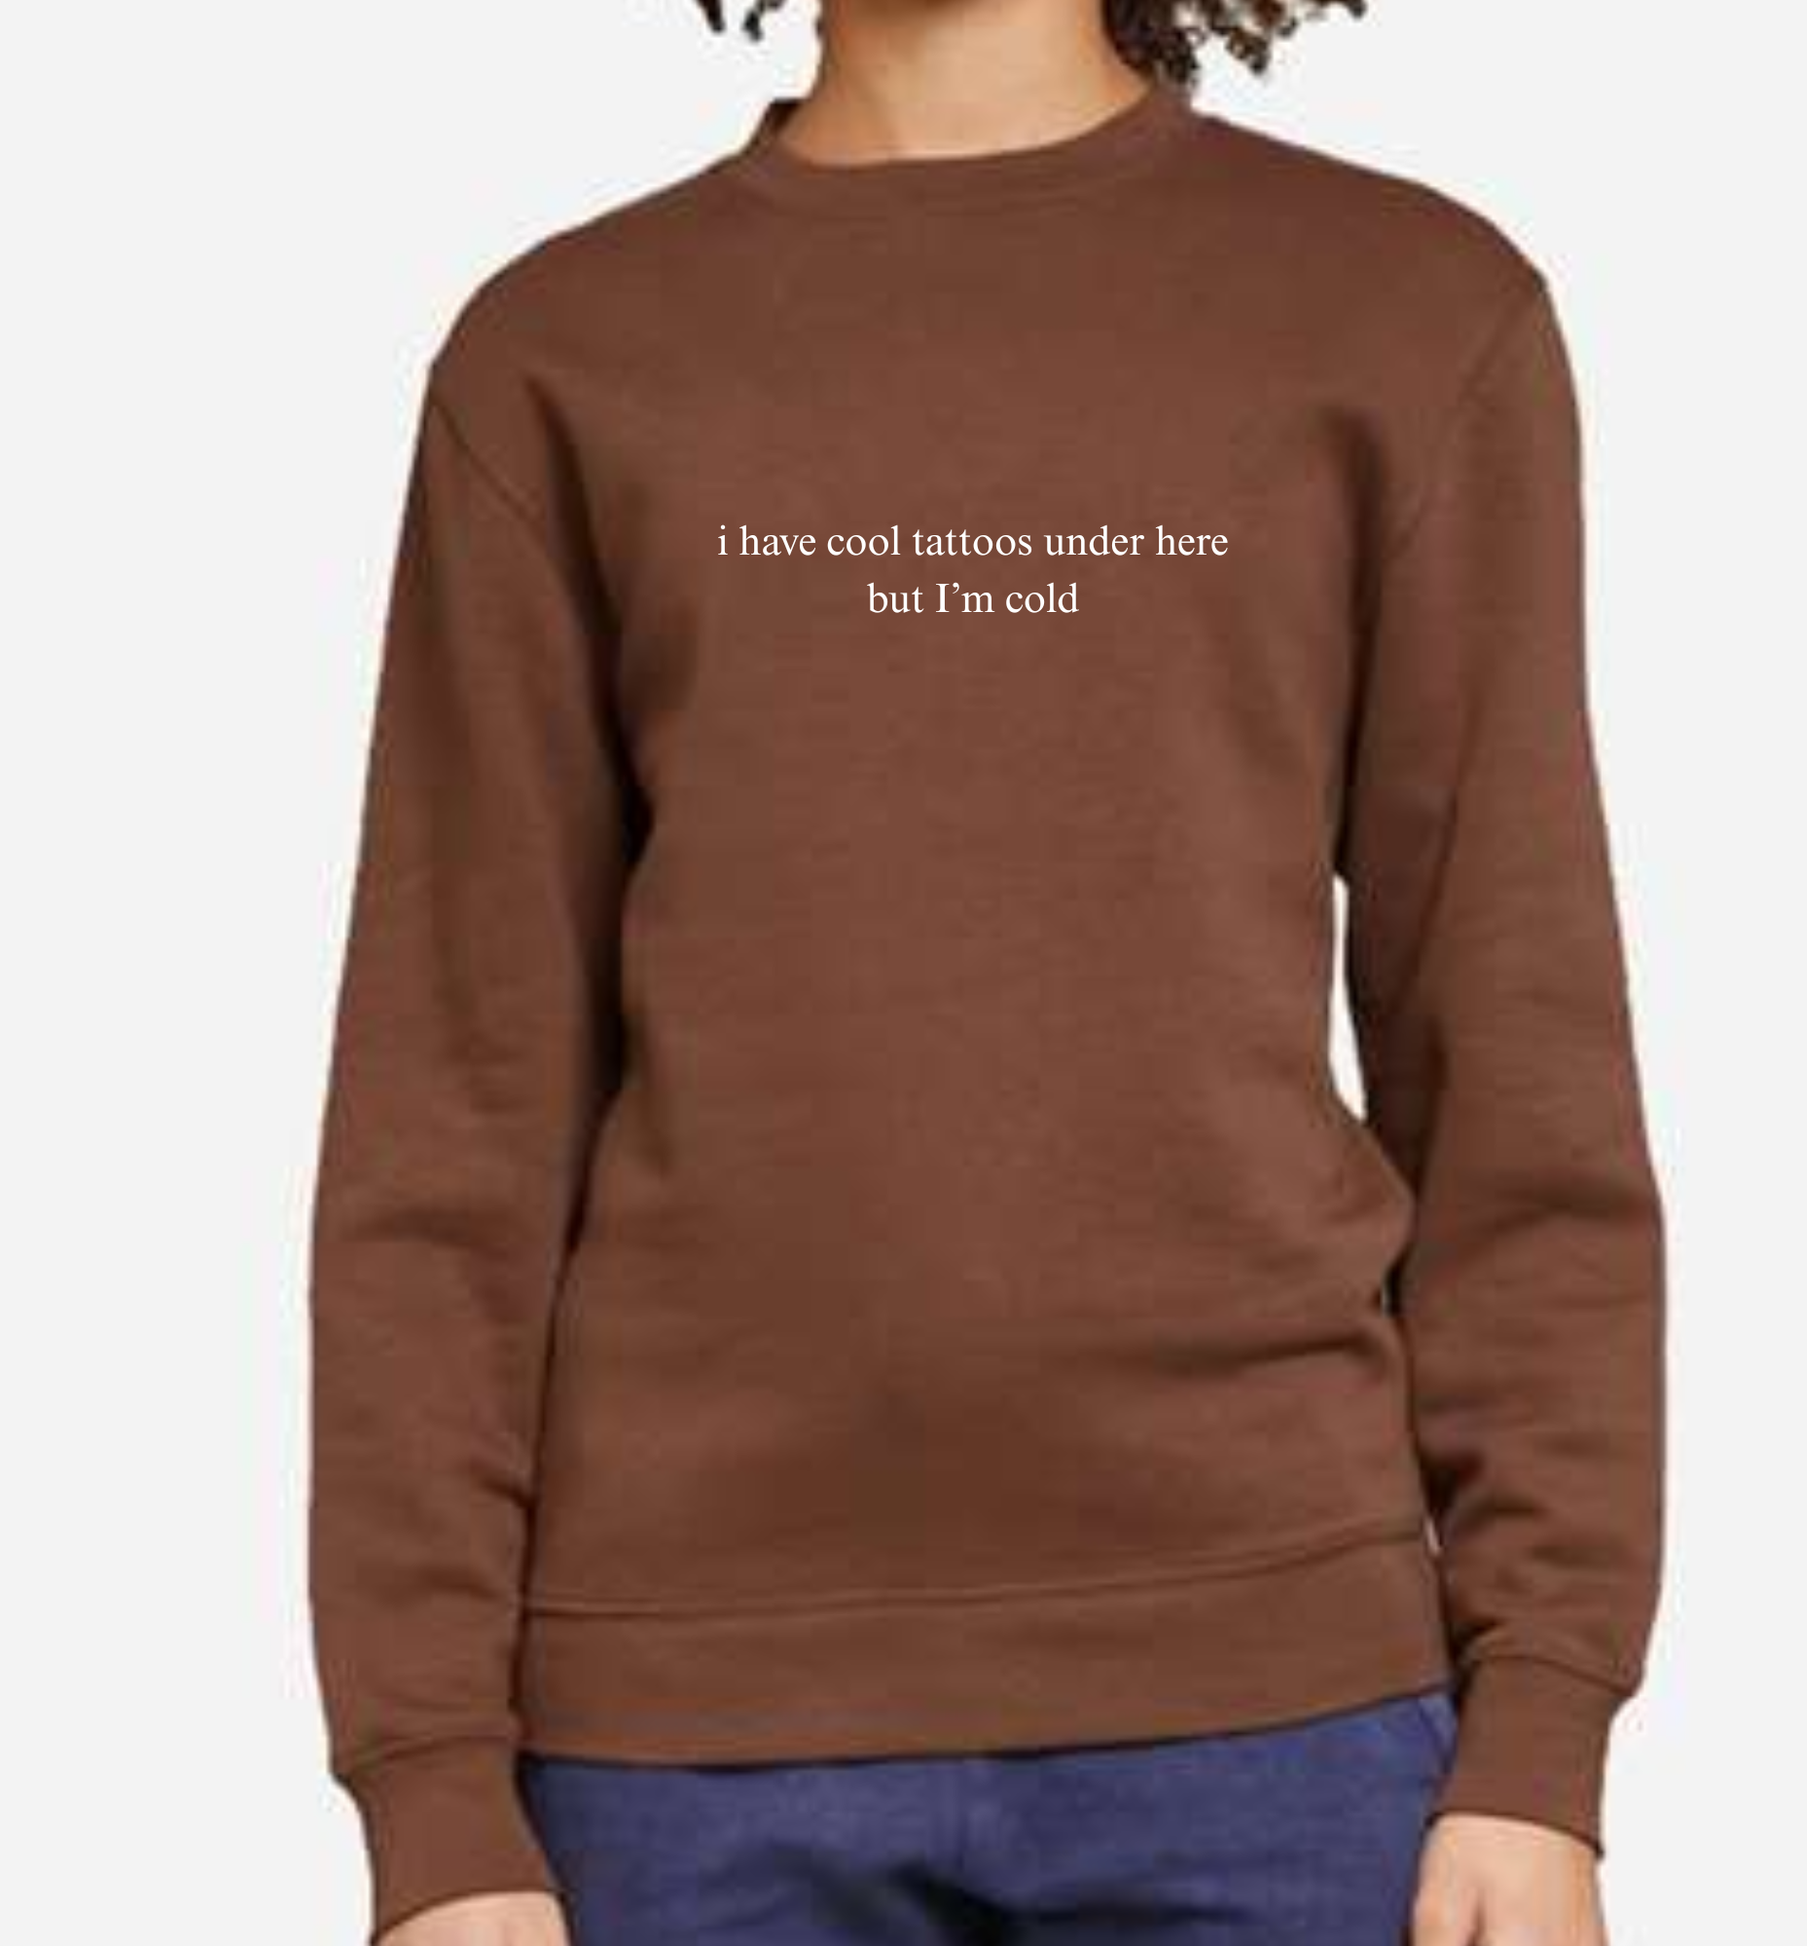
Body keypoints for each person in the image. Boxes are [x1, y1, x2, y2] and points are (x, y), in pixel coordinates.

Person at [306, 1, 1665, 1942]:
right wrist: (432, 1788)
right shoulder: (565, 352)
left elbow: (1517, 1067)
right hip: (674, 1741)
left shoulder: (1403, 312)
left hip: (1277, 1709)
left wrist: (1542, 1726)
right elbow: (450, 1113)